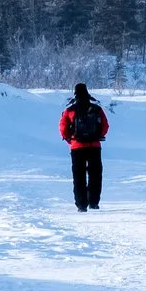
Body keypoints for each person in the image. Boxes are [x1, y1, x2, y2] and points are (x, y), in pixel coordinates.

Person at [60, 82, 108, 211]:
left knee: (78, 175)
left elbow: (63, 128)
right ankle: (93, 202)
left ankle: (81, 205)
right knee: (95, 174)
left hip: (77, 147)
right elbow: (105, 126)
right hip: (94, 146)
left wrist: (71, 140)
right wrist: (98, 136)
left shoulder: (69, 110)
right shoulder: (96, 108)